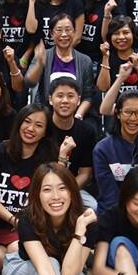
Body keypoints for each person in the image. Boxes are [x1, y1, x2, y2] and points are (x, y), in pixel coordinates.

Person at [0, 104, 57, 271]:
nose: (31, 128)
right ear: (19, 123)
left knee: (15, 252)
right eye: (27, 122)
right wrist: (14, 221)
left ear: (45, 132)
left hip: (28, 227)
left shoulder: (47, 158)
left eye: (39, 125)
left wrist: (24, 225)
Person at [93, 91, 138, 212]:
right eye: (127, 112)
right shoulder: (103, 149)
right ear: (118, 114)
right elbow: (109, 196)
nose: (133, 118)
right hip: (113, 212)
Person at [46, 76, 98, 209]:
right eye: (60, 96)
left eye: (70, 96)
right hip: (40, 186)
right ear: (50, 99)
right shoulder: (42, 125)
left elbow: (85, 173)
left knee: (94, 208)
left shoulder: (87, 131)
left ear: (79, 100)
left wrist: (65, 192)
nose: (65, 101)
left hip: (72, 186)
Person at [26, 13, 96, 113]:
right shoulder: (44, 55)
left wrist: (78, 116)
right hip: (46, 113)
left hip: (75, 113)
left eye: (68, 30)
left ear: (74, 32)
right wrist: (39, 64)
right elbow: (30, 83)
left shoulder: (85, 60)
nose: (64, 34)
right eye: (59, 30)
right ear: (51, 34)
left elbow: (88, 96)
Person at [96, 14, 138, 98]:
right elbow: (103, 88)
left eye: (126, 32)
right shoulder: (106, 58)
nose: (121, 37)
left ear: (133, 34)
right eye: (116, 33)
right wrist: (105, 57)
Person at [78, 0, 124, 68]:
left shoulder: (117, 3)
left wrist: (107, 13)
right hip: (79, 57)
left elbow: (107, 39)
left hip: (101, 59)